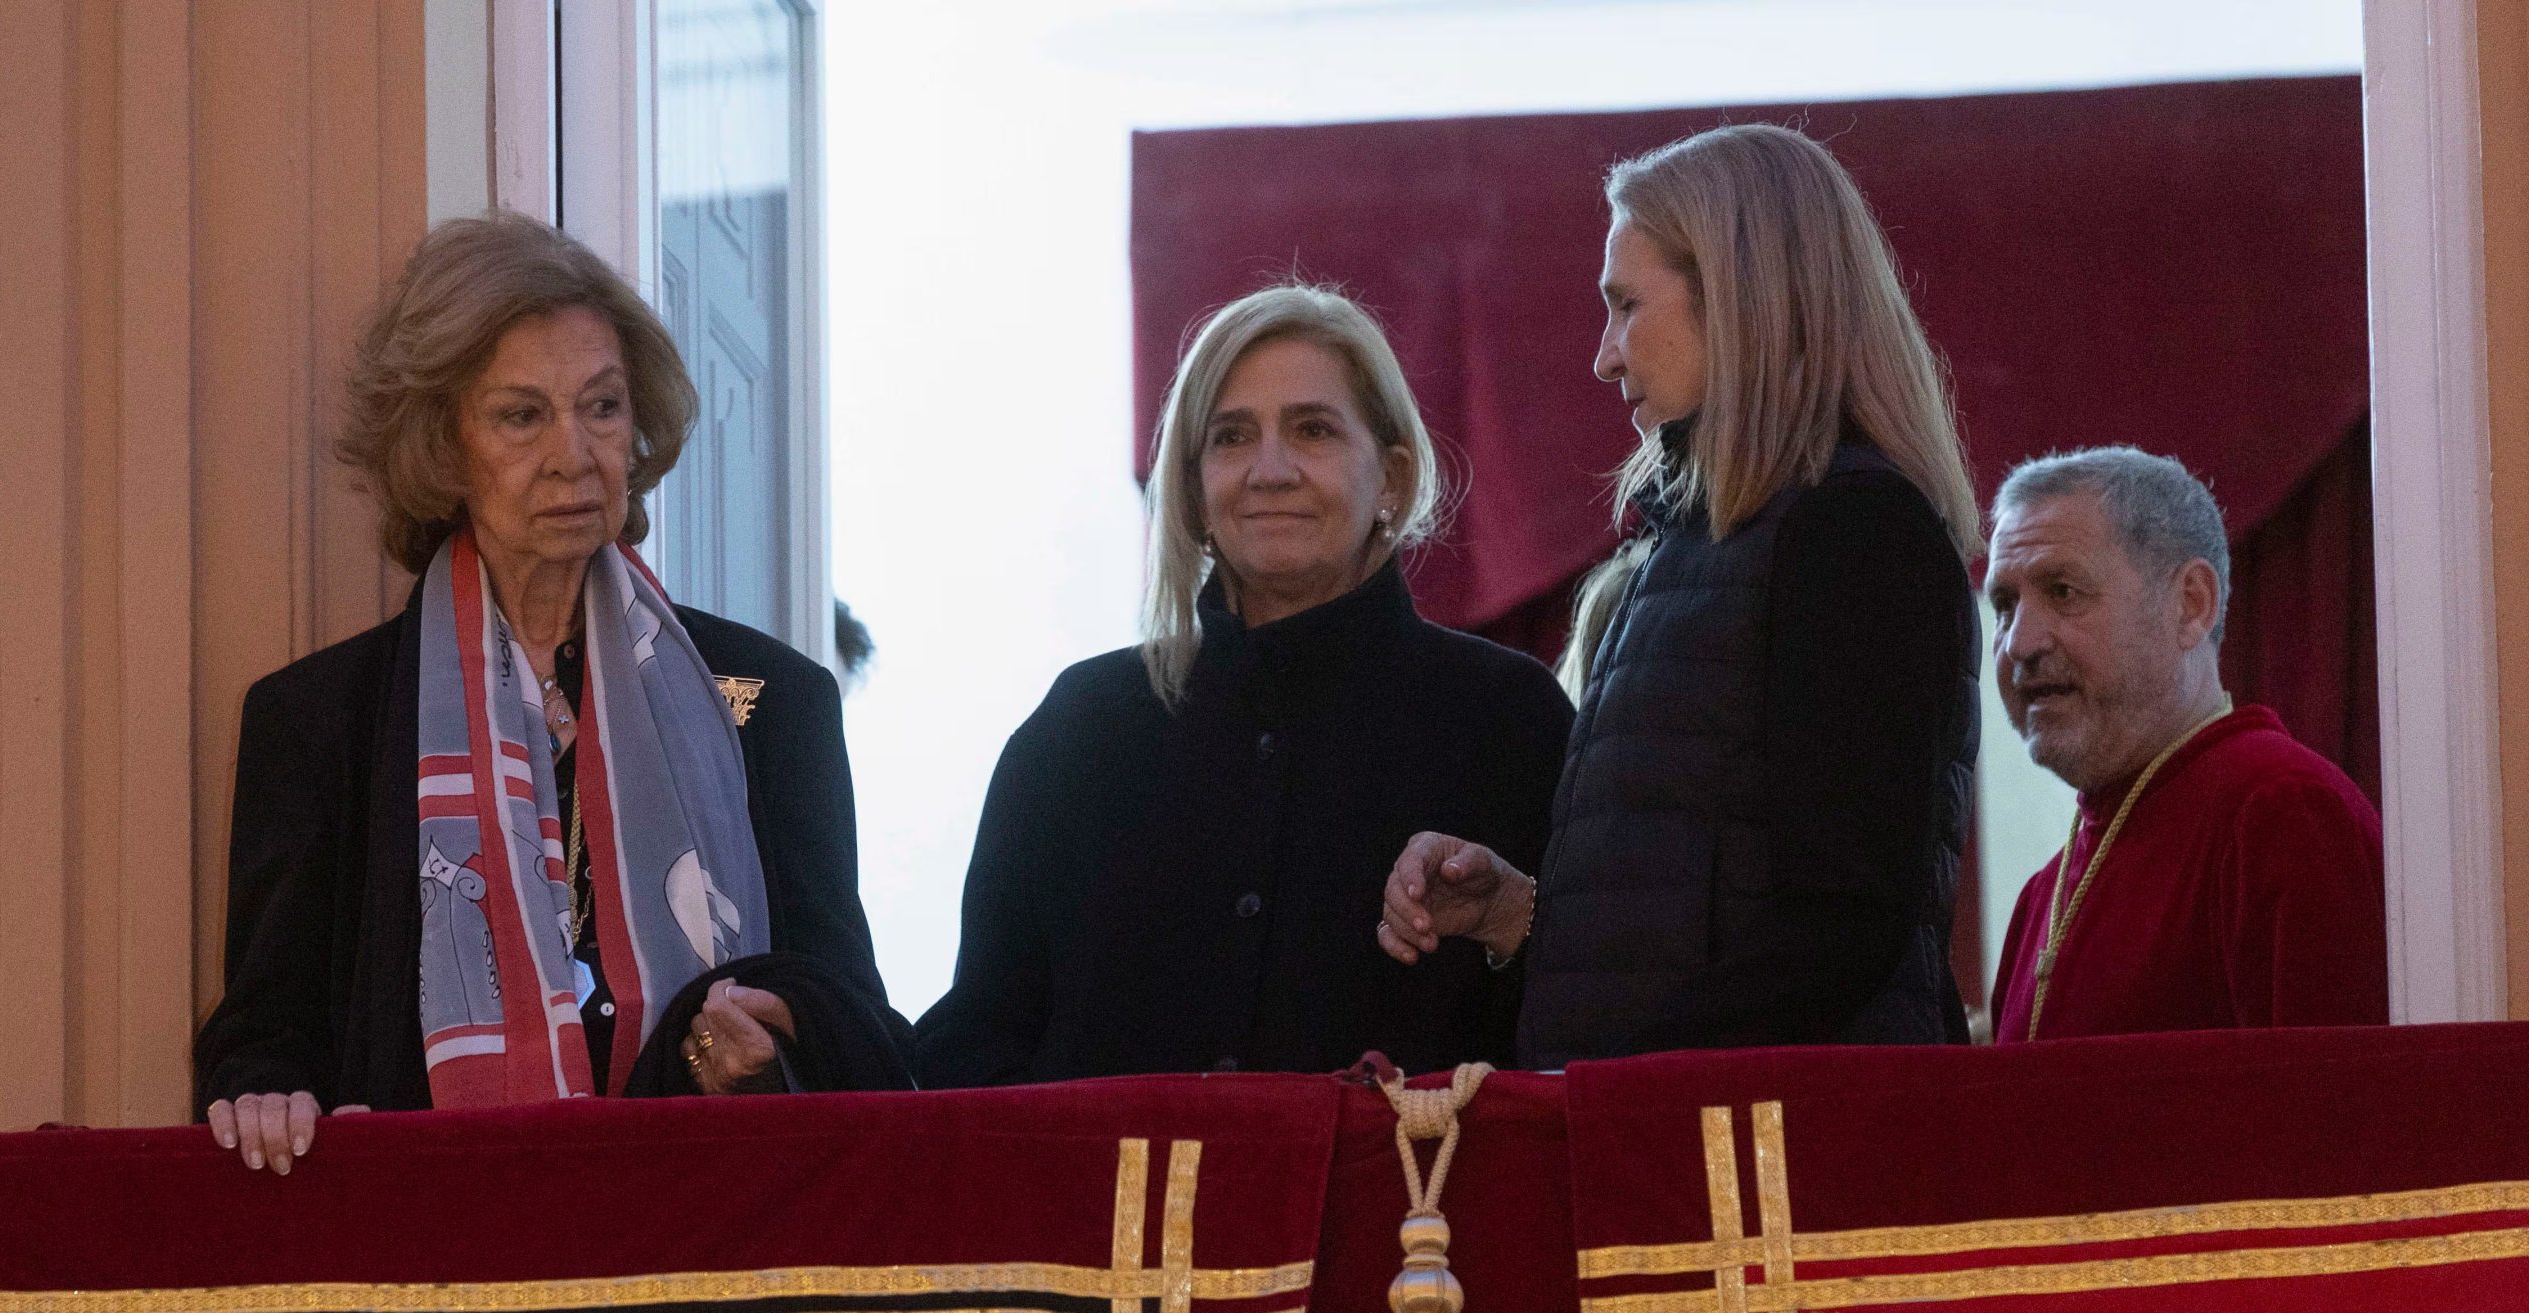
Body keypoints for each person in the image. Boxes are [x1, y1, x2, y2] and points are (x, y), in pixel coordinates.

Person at [196, 212, 909, 1174]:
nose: (575, 452)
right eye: (523, 415)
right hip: (437, 1271)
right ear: (443, 450)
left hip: (705, 1252)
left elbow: (864, 1027)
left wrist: (779, 1034)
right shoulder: (323, 721)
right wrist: (265, 1093)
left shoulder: (772, 701)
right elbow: (262, 1040)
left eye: (603, 407)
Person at [1378, 123, 1982, 1063]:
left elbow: (1841, 928)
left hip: (1781, 1167)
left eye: (1626, 306)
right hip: (1689, 1143)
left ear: (1742, 301)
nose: (1604, 357)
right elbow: (1693, 931)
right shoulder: (1688, 549)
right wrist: (1519, 913)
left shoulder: (1856, 532)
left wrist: (1610, 1082)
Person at [914, 284, 1572, 1085]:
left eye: (1313, 430)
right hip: (1111, 1213)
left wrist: (1516, 916)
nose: (1270, 470)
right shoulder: (1079, 728)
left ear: (1392, 478)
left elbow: (1583, 1026)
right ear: (1192, 489)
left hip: (1418, 1210)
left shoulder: (1510, 719)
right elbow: (980, 1041)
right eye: (1231, 437)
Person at [1984, 447, 2387, 1041]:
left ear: (2191, 604)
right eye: (2004, 604)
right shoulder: (2042, 896)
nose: (2019, 643)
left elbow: (2337, 1117)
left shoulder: (2283, 813)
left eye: (2063, 590)